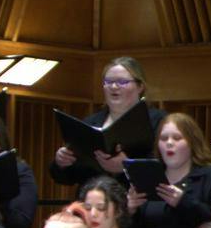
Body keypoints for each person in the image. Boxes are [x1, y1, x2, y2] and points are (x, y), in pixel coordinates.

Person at [50, 56, 154, 187]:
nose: (114, 87)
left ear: (140, 86)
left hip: (134, 197)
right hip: (92, 196)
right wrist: (61, 162)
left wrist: (128, 166)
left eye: (122, 82)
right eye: (108, 82)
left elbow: (165, 168)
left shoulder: (156, 121)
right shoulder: (89, 123)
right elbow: (69, 177)